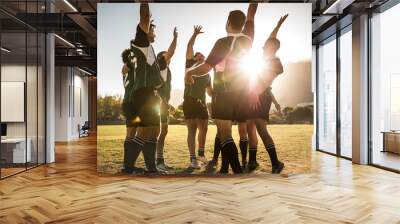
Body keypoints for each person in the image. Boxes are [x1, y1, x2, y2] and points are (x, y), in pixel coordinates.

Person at [186, 3, 258, 174]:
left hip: (224, 93)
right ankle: (228, 168)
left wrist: (189, 72)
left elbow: (206, 67)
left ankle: (238, 172)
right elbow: (251, 14)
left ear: (227, 23)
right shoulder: (248, 37)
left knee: (225, 134)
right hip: (243, 94)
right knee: (228, 134)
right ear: (242, 24)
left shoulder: (223, 42)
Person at [121, 3, 162, 174]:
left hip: (141, 95)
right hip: (144, 96)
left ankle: (150, 167)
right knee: (145, 133)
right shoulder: (142, 43)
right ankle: (128, 167)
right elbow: (144, 17)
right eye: (153, 30)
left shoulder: (144, 50)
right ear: (146, 30)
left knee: (151, 132)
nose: (155, 33)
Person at [247, 14, 288, 174]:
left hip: (261, 96)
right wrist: (278, 25)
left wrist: (255, 93)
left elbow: (266, 81)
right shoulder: (265, 55)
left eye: (267, 44)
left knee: (261, 129)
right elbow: (272, 37)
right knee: (250, 127)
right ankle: (252, 161)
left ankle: (275, 163)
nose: (264, 45)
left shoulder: (276, 63)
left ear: (273, 48)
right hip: (253, 94)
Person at [184, 25, 212, 169]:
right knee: (192, 130)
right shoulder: (190, 65)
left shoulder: (207, 74)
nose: (200, 56)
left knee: (204, 128)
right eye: (198, 55)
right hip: (189, 101)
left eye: (203, 56)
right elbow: (190, 45)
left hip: (202, 103)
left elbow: (210, 92)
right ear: (194, 58)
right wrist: (194, 34)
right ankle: (193, 159)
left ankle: (201, 154)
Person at [156, 27, 178, 172]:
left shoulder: (167, 70)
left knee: (163, 132)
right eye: (166, 55)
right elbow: (171, 52)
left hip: (163, 104)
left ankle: (159, 160)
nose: (169, 56)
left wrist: (168, 104)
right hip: (155, 105)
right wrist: (175, 38)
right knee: (155, 132)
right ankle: (155, 162)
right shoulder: (161, 64)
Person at [121, 48, 142, 173]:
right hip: (131, 104)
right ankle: (128, 166)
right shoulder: (126, 66)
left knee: (132, 133)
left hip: (132, 104)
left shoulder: (133, 68)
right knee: (131, 133)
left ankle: (128, 165)